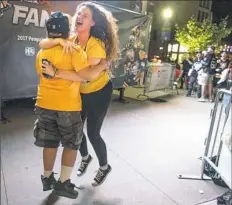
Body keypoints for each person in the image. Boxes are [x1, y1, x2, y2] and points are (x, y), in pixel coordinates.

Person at [39, 2, 119, 187]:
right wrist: (59, 41)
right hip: (81, 93)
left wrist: (56, 72)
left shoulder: (96, 45)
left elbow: (85, 75)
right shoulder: (72, 39)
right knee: (76, 131)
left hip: (99, 92)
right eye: (78, 13)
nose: (79, 16)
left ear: (92, 23)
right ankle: (85, 158)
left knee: (92, 133)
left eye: (85, 15)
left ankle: (104, 167)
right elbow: (42, 42)